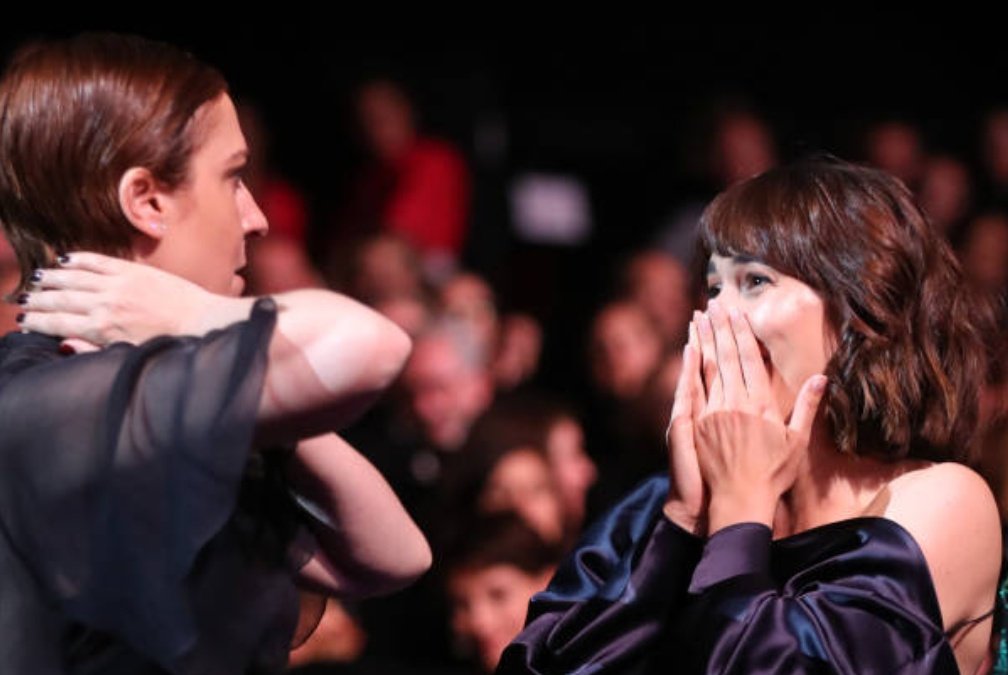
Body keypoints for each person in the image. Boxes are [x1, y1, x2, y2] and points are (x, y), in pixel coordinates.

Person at [0, 33, 431, 674]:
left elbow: (394, 555)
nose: (256, 216)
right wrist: (200, 318)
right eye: (233, 178)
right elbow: (372, 344)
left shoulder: (162, 383)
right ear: (146, 202)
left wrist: (220, 363)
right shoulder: (49, 394)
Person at [498, 157, 1002, 674]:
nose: (718, 316)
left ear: (863, 310)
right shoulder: (662, 503)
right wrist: (681, 526)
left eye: (755, 281)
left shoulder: (939, 500)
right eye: (714, 288)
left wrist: (739, 513)